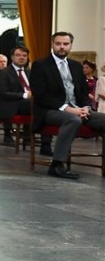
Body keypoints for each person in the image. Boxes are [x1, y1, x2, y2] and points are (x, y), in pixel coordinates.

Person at [29, 32, 105, 180]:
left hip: (77, 108)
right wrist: (69, 109)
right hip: (50, 111)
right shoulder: (40, 65)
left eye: (65, 44)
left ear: (71, 45)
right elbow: (41, 95)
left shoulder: (76, 66)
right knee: (73, 119)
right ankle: (56, 165)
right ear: (52, 44)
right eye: (58, 44)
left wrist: (86, 108)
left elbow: (83, 92)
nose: (62, 47)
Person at [0, 46, 33, 148]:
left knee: (45, 104)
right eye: (18, 55)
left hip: (29, 103)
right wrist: (25, 95)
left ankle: (44, 142)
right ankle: (13, 133)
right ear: (12, 57)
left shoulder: (30, 72)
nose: (21, 58)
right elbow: (3, 93)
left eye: (24, 55)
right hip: (10, 103)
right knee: (35, 104)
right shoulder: (4, 73)